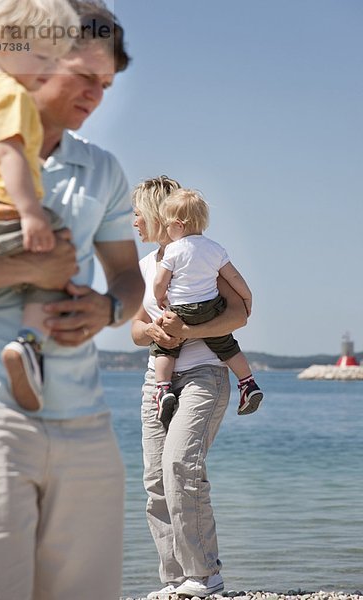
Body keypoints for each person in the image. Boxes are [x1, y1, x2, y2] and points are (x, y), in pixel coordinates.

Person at [0, 2, 144, 599]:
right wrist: (25, 265)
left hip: (86, 425)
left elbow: (127, 277)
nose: (97, 95)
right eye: (85, 76)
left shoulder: (103, 169)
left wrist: (110, 310)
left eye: (107, 84)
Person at [131, 176, 247, 599]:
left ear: (163, 215)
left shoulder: (198, 257)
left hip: (205, 374)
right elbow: (135, 332)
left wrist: (187, 330)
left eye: (138, 213)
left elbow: (239, 313)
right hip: (157, 379)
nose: (134, 222)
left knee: (182, 465)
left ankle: (206, 575)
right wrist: (157, 332)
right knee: (155, 479)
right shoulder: (144, 267)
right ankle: (176, 581)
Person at [0, 0, 80, 411]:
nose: (49, 70)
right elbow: (9, 154)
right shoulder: (11, 94)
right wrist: (31, 213)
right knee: (58, 247)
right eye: (42, 57)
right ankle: (28, 344)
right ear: (1, 42)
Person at [151, 186, 263, 426]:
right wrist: (247, 297)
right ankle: (247, 383)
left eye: (168, 224)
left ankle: (163, 389)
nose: (167, 229)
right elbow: (234, 278)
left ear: (178, 225)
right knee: (227, 346)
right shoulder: (215, 248)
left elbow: (161, 280)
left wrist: (159, 295)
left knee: (165, 349)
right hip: (211, 308)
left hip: (180, 310)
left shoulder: (173, 249)